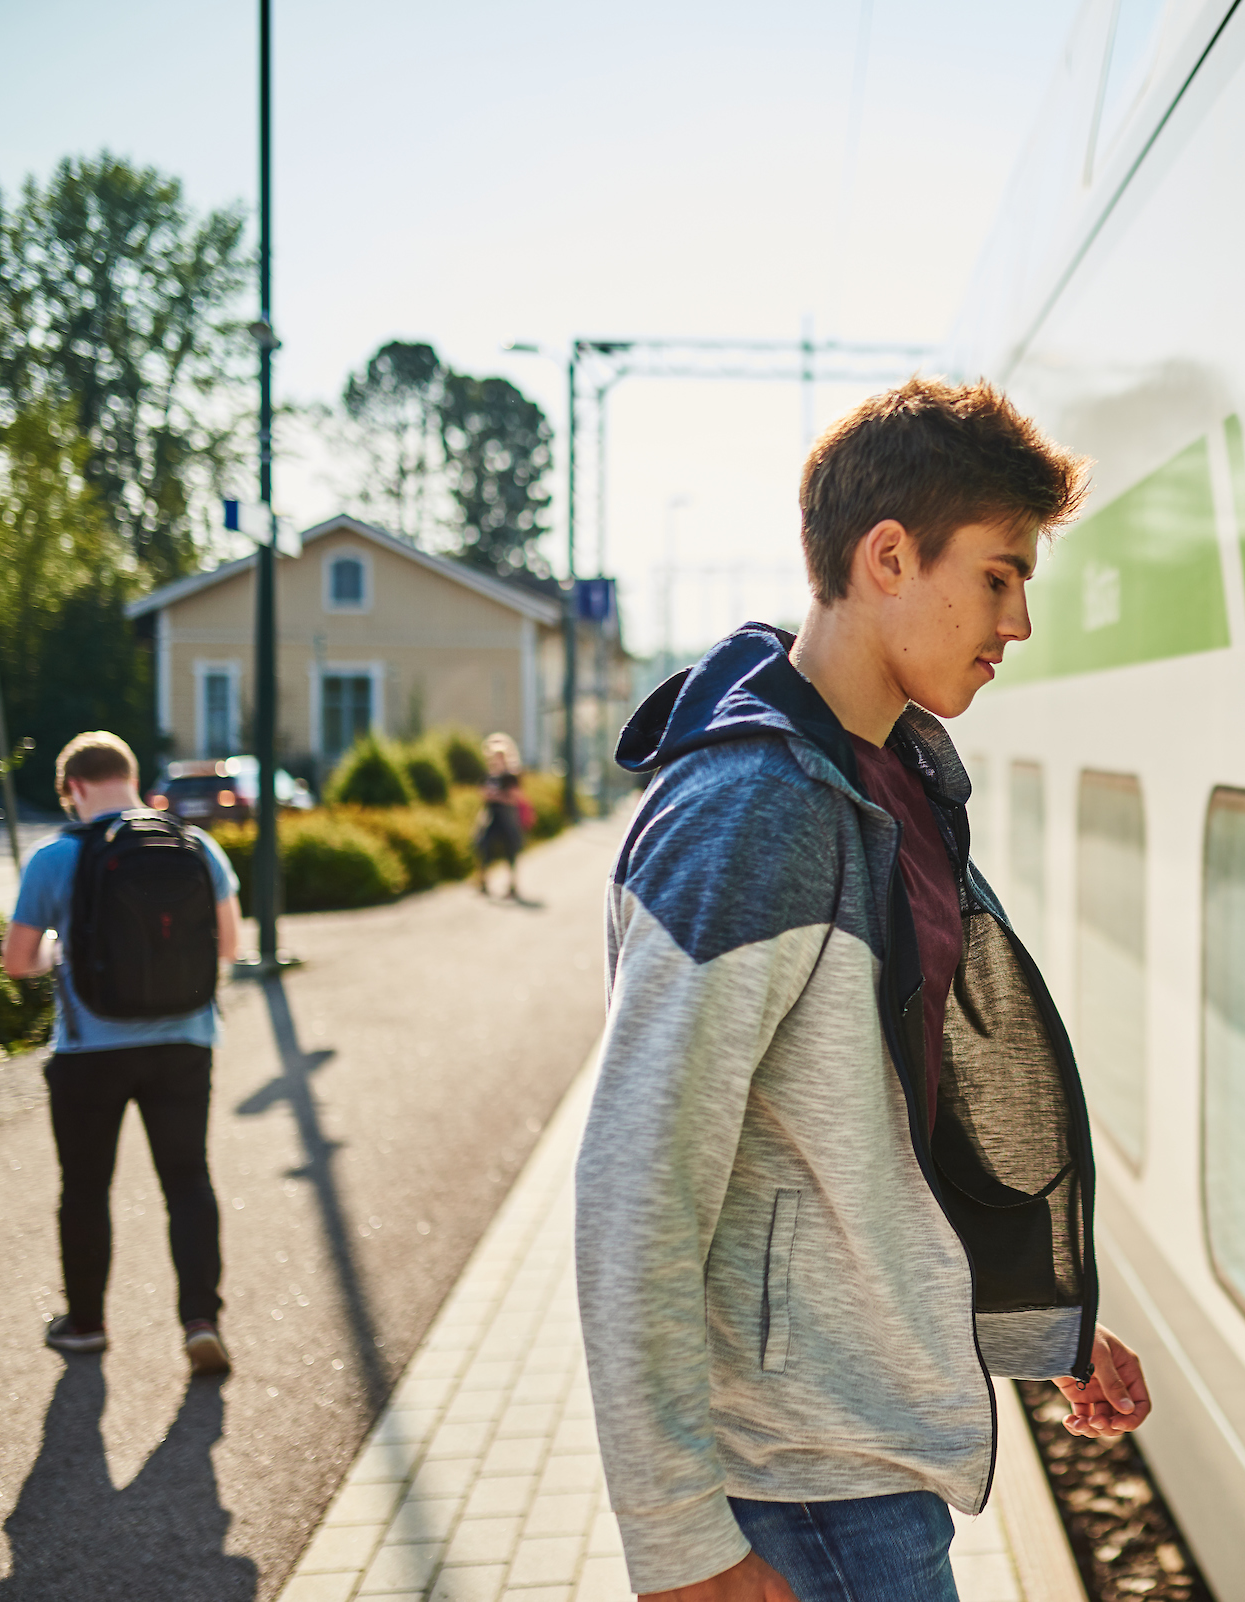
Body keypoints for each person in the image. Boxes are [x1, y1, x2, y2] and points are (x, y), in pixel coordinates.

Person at [577, 378, 1149, 1602]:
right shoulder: (754, 815)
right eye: (1000, 575)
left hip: (850, 1458)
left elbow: (878, 1138)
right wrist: (681, 1543)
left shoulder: (882, 784)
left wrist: (1032, 1325)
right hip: (798, 1488)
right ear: (888, 555)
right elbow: (637, 1181)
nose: (1020, 623)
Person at [1, 731, 241, 1376]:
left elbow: (18, 961)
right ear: (131, 779)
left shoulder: (56, 856)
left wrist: (63, 952)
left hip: (89, 1050)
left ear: (74, 788)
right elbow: (228, 945)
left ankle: (87, 1325)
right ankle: (200, 1321)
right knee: (188, 1182)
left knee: (85, 1187)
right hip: (186, 1042)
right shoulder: (197, 846)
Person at [473, 733, 528, 899]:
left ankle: (512, 885)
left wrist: (497, 796)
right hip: (491, 815)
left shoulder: (510, 777)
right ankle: (482, 881)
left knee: (510, 849)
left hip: (507, 816)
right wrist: (492, 796)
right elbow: (482, 793)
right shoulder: (489, 776)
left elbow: (516, 797)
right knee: (482, 844)